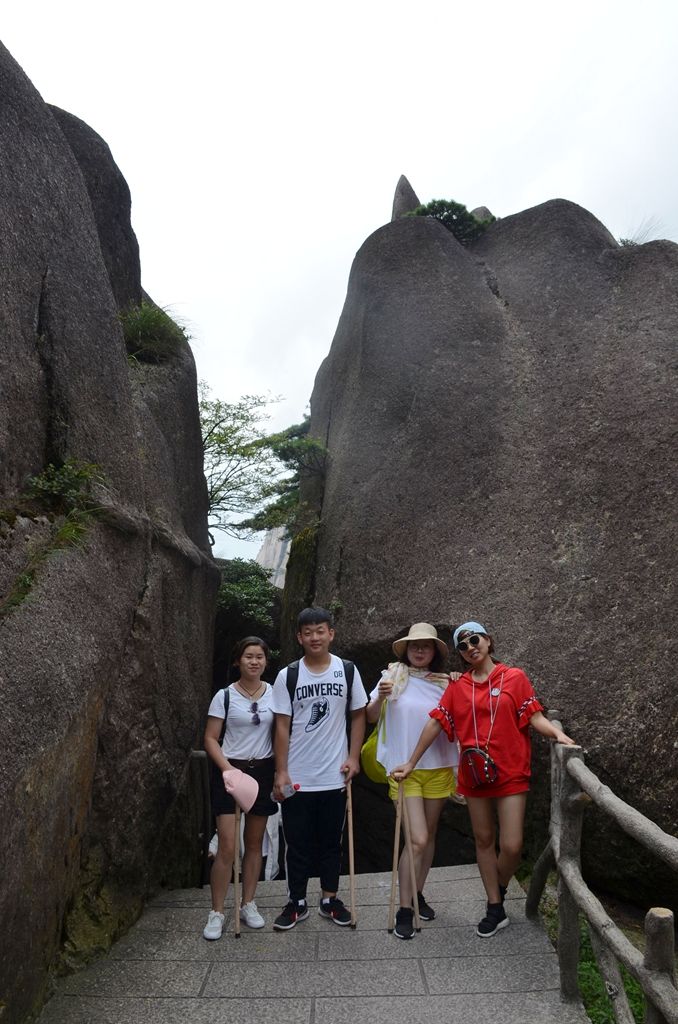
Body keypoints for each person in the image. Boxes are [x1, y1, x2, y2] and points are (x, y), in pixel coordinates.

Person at [392, 620, 575, 938]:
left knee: (512, 845)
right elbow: (435, 725)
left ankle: (499, 887)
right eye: (462, 646)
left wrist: (558, 735)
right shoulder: (457, 687)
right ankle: (494, 907)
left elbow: (534, 717)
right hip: (474, 773)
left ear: (488, 641)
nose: (470, 647)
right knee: (484, 840)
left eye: (474, 640)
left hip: (510, 771)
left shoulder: (513, 678)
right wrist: (410, 762)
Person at [271, 606, 367, 930]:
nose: (315, 637)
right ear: (299, 637)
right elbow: (281, 725)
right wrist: (281, 771)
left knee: (330, 842)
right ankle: (296, 901)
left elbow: (358, 715)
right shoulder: (289, 675)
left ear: (331, 633)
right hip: (298, 774)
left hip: (334, 774)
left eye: (320, 630)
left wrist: (354, 758)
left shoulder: (348, 671)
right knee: (296, 843)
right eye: (308, 632)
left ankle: (330, 898)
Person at [366, 622, 459, 940]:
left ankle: (417, 894)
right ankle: (404, 908)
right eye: (415, 645)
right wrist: (379, 697)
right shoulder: (391, 676)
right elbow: (370, 717)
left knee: (429, 836)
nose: (420, 650)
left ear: (435, 652)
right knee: (416, 839)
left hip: (440, 767)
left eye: (426, 646)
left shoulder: (447, 683)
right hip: (402, 770)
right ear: (406, 649)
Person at [202, 636, 278, 939]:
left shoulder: (276, 693)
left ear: (265, 662)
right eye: (248, 656)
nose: (254, 661)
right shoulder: (224, 696)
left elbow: (284, 731)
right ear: (238, 661)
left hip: (262, 771)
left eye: (259, 656)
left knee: (255, 844)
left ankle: (248, 903)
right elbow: (210, 737)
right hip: (230, 772)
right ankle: (217, 911)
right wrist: (227, 769)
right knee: (227, 846)